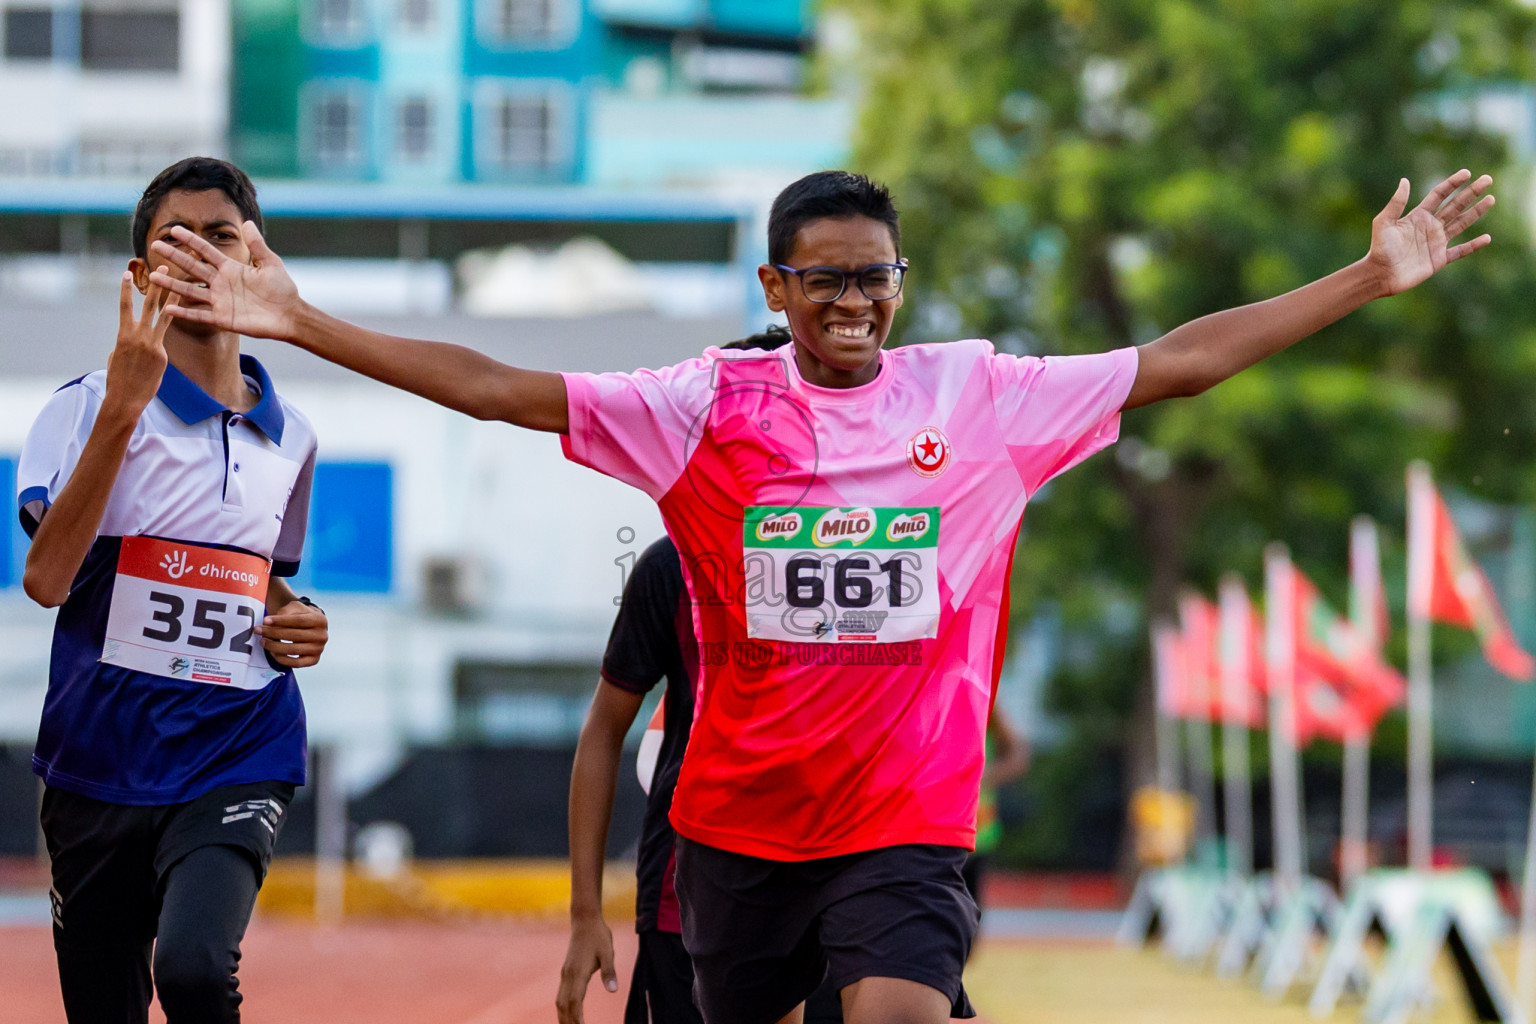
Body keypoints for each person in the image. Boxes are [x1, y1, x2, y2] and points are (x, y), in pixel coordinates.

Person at [148, 166, 1493, 1024]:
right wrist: (307, 322)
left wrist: (1372, 276)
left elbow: (1181, 362)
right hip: (734, 829)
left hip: (901, 820)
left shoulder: (980, 395)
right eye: (825, 278)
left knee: (903, 1010)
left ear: (901, 282)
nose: (854, 300)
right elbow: (505, 390)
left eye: (876, 275)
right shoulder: (701, 407)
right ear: (775, 288)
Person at [17, 157, 330, 1024]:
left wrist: (298, 618)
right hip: (101, 760)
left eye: (220, 237)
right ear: (140, 273)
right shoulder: (78, 408)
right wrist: (125, 407)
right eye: (173, 239)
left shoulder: (294, 436)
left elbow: (265, 582)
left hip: (239, 743)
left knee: (195, 970)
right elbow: (46, 581)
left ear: (254, 257)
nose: (197, 254)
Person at [558, 331, 843, 1024]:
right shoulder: (670, 566)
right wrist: (585, 914)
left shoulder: (867, 559)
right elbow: (602, 730)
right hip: (688, 894)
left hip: (841, 885)